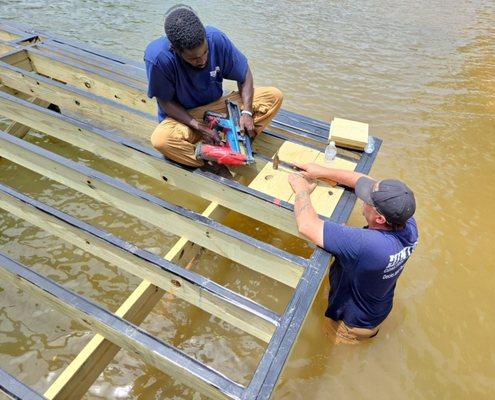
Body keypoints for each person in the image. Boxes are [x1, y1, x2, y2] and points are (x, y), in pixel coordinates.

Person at [288, 163, 418, 344]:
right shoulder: (407, 222)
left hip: (349, 326)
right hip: (376, 310)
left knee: (320, 345)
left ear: (380, 218)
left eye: (367, 201)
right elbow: (362, 181)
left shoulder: (366, 243)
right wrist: (321, 171)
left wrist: (301, 190)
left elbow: (306, 225)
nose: (363, 200)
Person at [144, 5, 283, 169]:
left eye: (205, 53)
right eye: (194, 58)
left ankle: (233, 141)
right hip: (185, 118)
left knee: (273, 96)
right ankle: (213, 162)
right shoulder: (159, 58)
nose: (202, 60)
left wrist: (246, 112)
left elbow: (244, 74)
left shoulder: (216, 38)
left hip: (216, 108)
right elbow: (165, 102)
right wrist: (200, 128)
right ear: (174, 49)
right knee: (162, 140)